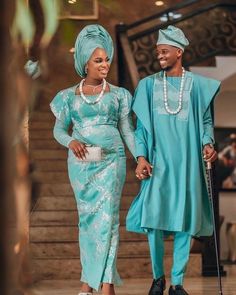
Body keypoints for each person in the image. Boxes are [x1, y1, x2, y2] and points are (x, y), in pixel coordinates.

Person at [126, 25, 220, 295]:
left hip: (188, 164)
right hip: (158, 164)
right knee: (154, 221)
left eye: (164, 52)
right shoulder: (147, 86)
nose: (160, 56)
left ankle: (177, 282)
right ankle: (158, 278)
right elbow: (141, 129)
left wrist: (208, 143)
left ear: (179, 52)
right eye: (158, 53)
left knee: (185, 223)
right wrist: (141, 157)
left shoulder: (197, 86)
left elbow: (205, 122)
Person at [50, 24, 135, 295]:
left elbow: (128, 131)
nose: (105, 64)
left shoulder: (119, 95)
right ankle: (88, 283)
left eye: (106, 59)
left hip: (112, 161)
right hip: (81, 165)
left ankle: (106, 285)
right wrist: (71, 141)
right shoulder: (66, 98)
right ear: (85, 64)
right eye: (98, 60)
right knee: (87, 223)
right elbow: (58, 130)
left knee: (108, 221)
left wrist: (141, 157)